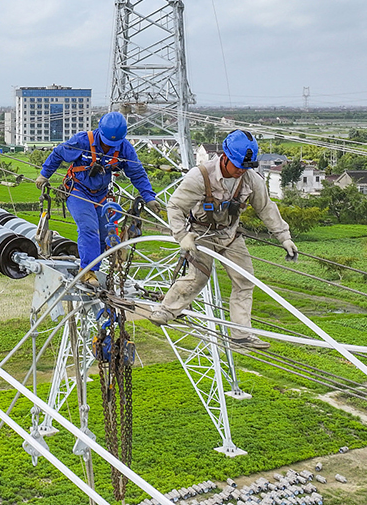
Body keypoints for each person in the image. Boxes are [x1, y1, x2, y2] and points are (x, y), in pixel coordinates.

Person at [147, 129, 297, 350]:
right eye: (237, 166)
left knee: (245, 280)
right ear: (225, 157)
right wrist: (182, 236)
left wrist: (284, 237)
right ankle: (166, 310)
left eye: (245, 167)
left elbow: (266, 208)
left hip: (230, 234)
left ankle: (241, 335)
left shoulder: (250, 179)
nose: (240, 171)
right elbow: (176, 206)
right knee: (198, 277)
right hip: (202, 233)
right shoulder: (200, 176)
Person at [34, 111, 157, 283]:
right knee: (89, 228)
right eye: (107, 142)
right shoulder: (83, 140)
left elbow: (137, 173)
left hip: (100, 195)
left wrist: (149, 197)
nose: (109, 146)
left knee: (103, 234)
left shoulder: (124, 148)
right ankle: (88, 271)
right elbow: (58, 154)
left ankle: (96, 266)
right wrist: (44, 175)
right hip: (78, 190)